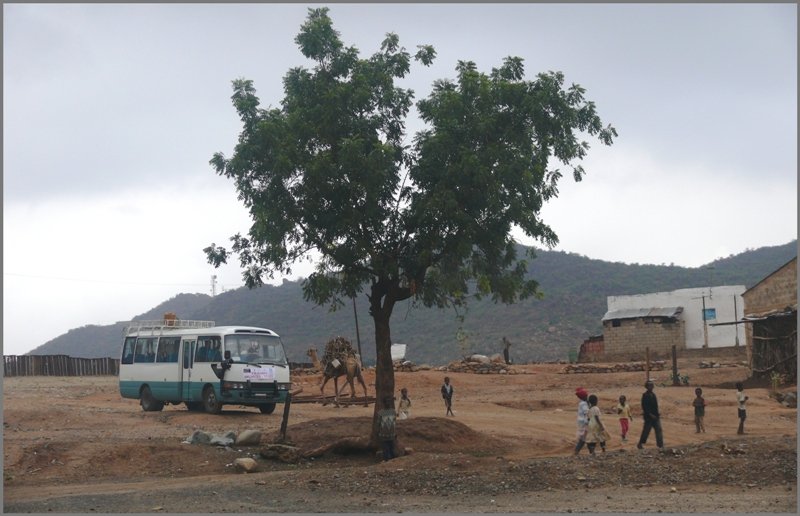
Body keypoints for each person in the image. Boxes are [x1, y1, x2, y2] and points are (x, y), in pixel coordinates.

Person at [637, 380, 664, 449]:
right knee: (646, 431)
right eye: (650, 385)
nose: (651, 386)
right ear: (646, 387)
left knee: (659, 430)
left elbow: (656, 406)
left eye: (652, 385)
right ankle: (640, 443)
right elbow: (644, 407)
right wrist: (650, 414)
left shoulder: (653, 395)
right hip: (648, 417)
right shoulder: (645, 395)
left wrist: (657, 414)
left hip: (655, 416)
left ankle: (660, 445)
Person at [377, 396, 397, 461]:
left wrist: (395, 432)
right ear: (384, 403)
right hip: (383, 434)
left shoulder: (393, 412)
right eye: (386, 402)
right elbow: (378, 423)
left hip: (392, 434)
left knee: (391, 449)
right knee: (386, 450)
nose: (388, 403)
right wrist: (378, 433)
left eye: (389, 402)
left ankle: (392, 461)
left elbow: (394, 423)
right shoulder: (381, 413)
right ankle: (387, 462)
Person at [574, 387, 590, 455]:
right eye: (586, 395)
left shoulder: (583, 403)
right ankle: (591, 452)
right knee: (586, 438)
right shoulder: (583, 404)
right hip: (584, 423)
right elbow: (586, 412)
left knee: (585, 438)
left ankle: (576, 451)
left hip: (582, 423)